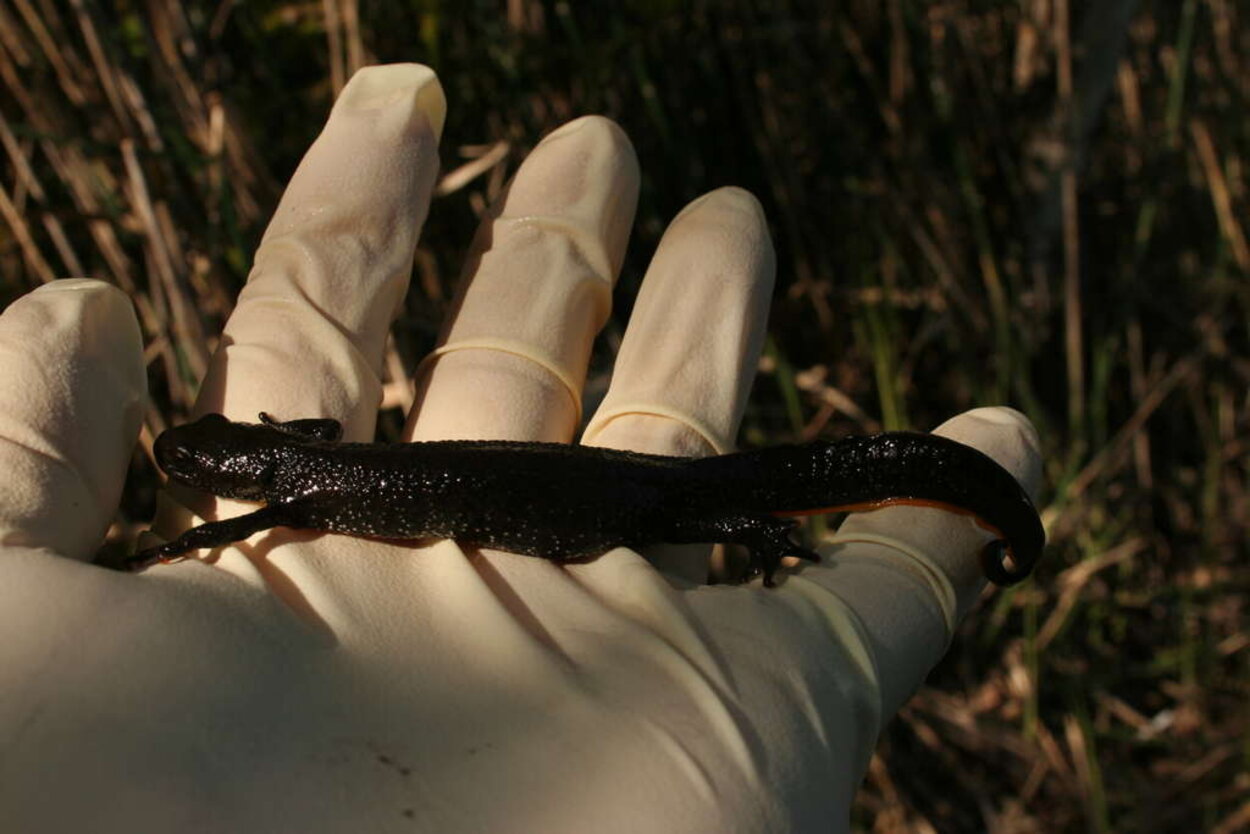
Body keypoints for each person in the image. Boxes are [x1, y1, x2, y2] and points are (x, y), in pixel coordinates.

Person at [0, 64, 1041, 832]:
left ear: (237, 465)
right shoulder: (287, 471)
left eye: (197, 467)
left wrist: (178, 545)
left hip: (599, 492)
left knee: (683, 505)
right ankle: (774, 520)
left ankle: (783, 524)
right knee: (676, 501)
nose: (188, 472)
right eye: (191, 466)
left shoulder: (281, 489)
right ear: (244, 456)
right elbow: (301, 461)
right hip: (570, 487)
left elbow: (276, 502)